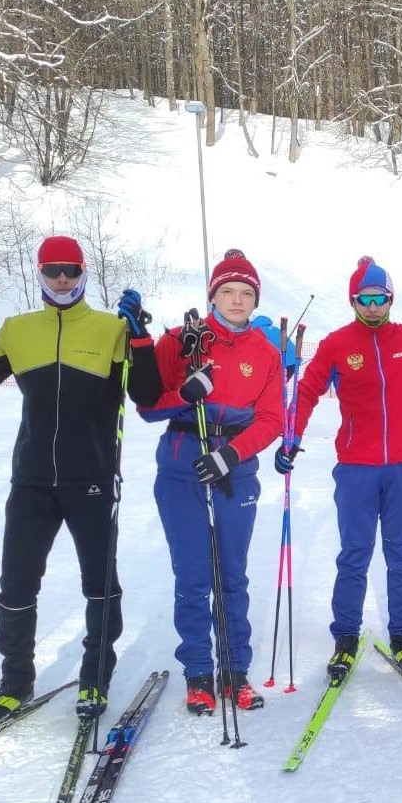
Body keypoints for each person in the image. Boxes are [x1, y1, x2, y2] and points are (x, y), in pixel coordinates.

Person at [0, 235, 161, 724]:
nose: (62, 278)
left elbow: (147, 395)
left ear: (83, 272)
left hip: (91, 478)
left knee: (99, 585)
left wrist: (140, 338)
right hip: (31, 481)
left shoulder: (110, 329)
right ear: (40, 274)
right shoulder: (19, 329)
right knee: (16, 585)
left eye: (70, 269)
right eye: (52, 271)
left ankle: (95, 679)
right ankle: (14, 684)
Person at [140, 249, 284, 714]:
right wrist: (185, 393)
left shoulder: (265, 351)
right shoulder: (183, 340)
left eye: (246, 293)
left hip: (234, 471)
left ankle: (235, 670)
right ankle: (198, 672)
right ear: (213, 295)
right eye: (228, 291)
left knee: (232, 576)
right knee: (194, 574)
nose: (237, 300)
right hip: (182, 469)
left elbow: (271, 418)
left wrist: (231, 454)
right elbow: (147, 407)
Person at [276, 257, 402, 678]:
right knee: (354, 555)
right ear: (353, 301)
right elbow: (307, 392)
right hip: (356, 469)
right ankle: (345, 635)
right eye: (364, 299)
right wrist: (290, 437)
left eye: (379, 299)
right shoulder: (337, 344)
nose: (372, 307)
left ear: (390, 298)